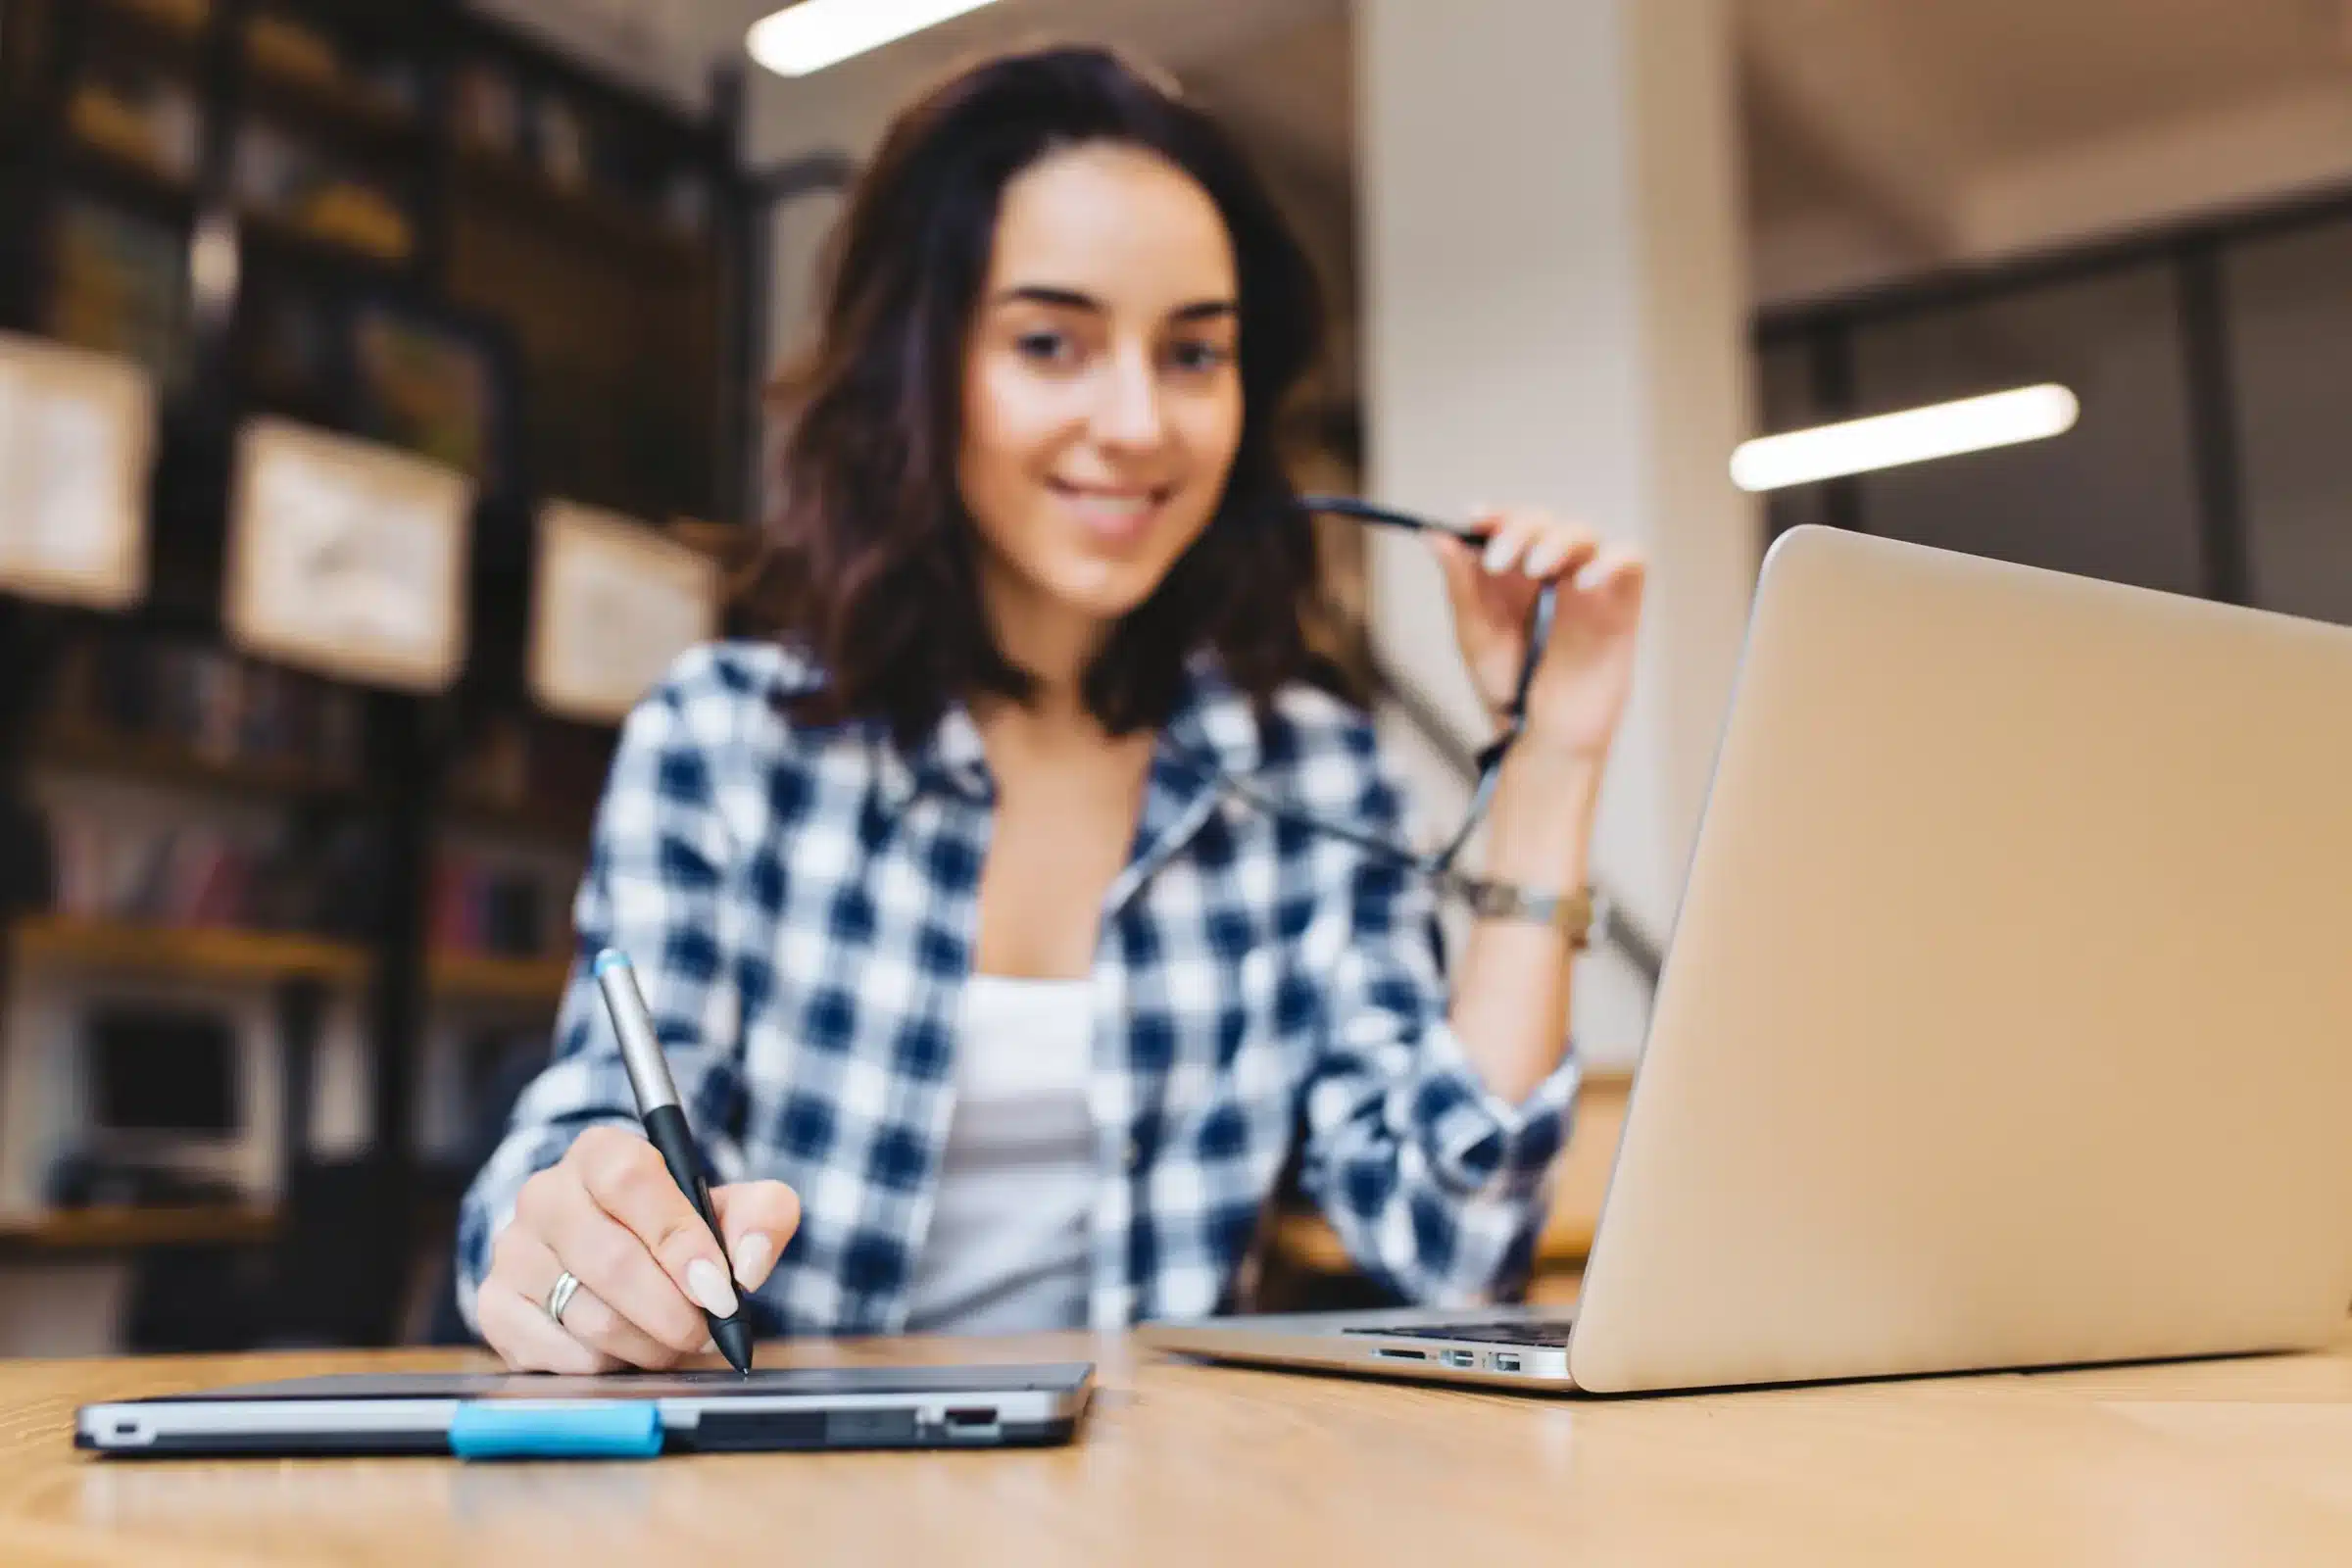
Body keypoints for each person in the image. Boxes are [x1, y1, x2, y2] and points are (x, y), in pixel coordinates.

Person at [456, 44, 1645, 1372]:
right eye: (1048, 342)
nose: (1138, 421)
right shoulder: (725, 744)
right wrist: (564, 1246)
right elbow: (577, 1145)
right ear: (920, 367)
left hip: (1165, 1477)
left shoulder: (1311, 777)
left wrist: (1550, 760)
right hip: (794, 1474)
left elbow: (1452, 1241)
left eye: (1194, 353)